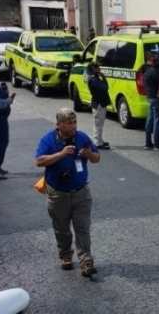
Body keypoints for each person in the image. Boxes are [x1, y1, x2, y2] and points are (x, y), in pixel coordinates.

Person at [35, 108, 102, 278]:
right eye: (69, 123)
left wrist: (88, 153)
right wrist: (61, 154)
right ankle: (65, 255)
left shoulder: (82, 138)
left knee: (83, 228)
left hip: (81, 193)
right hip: (58, 194)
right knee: (62, 229)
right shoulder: (48, 140)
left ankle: (86, 260)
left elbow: (97, 158)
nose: (73, 126)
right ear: (59, 125)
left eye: (74, 122)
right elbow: (39, 161)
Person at [86, 62, 111, 150]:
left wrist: (102, 77)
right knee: (98, 124)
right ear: (94, 69)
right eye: (97, 67)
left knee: (100, 124)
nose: (99, 69)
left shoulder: (95, 78)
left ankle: (100, 140)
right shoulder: (93, 79)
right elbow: (105, 88)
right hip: (98, 104)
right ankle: (97, 143)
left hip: (100, 103)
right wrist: (103, 77)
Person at [140, 52, 159, 150]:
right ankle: (157, 143)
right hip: (156, 98)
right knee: (156, 121)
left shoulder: (146, 72)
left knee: (149, 120)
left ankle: (148, 142)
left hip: (150, 97)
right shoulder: (155, 73)